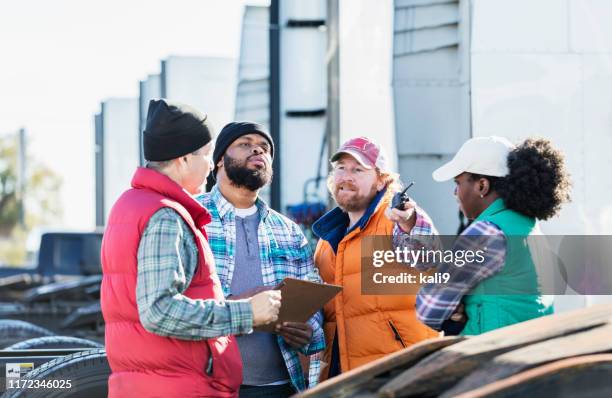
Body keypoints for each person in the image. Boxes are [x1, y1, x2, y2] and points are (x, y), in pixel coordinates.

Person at [101, 100, 282, 397]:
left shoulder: (130, 205)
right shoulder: (164, 215)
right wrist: (246, 312)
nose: (211, 165)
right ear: (184, 159)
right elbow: (159, 311)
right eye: (208, 155)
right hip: (175, 386)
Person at [198, 122, 325, 397]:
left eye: (265, 147)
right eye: (245, 143)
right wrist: (239, 308)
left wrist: (306, 332)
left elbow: (313, 310)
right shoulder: (192, 218)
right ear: (219, 159)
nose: (257, 149)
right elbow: (171, 304)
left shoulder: (289, 231)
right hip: (205, 383)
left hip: (277, 388)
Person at [312, 136, 439, 380]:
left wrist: (410, 222)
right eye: (341, 168)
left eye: (358, 169)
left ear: (382, 181)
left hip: (398, 374)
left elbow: (428, 258)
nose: (346, 176)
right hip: (342, 376)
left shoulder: (396, 219)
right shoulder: (326, 239)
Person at [416, 136, 571, 335]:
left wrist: (456, 312)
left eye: (458, 183)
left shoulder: (486, 233)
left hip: (493, 358)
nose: (455, 193)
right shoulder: (528, 225)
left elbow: (429, 307)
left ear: (482, 185)